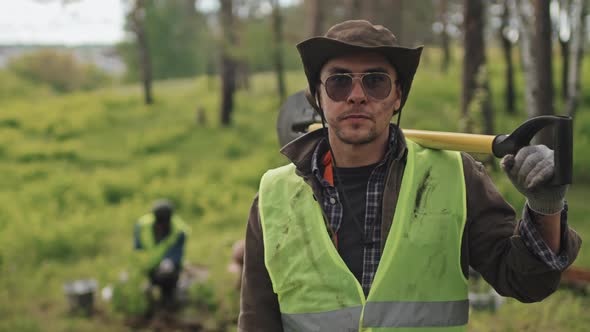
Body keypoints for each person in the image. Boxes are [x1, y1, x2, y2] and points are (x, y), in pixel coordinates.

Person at [238, 20, 582, 331]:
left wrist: (544, 206)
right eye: (339, 83)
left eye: (375, 82)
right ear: (318, 96)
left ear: (397, 96)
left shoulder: (455, 175)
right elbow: (257, 320)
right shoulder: (274, 195)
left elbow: (524, 282)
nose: (357, 96)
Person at [134, 199, 188, 307]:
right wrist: (140, 274)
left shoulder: (179, 230)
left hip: (166, 270)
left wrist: (169, 262)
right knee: (140, 289)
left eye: (164, 222)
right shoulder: (142, 225)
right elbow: (138, 250)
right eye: (159, 222)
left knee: (168, 276)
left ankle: (169, 298)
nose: (161, 226)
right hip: (147, 267)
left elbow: (177, 253)